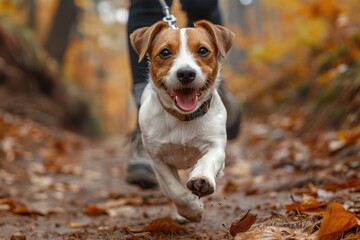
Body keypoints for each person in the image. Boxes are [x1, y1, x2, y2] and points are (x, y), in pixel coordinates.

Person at [126, 0, 241, 189]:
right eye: (165, 53)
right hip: (156, 105)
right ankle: (143, 119)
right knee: (146, 3)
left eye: (203, 51)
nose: (185, 70)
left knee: (201, 5)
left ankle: (217, 84)